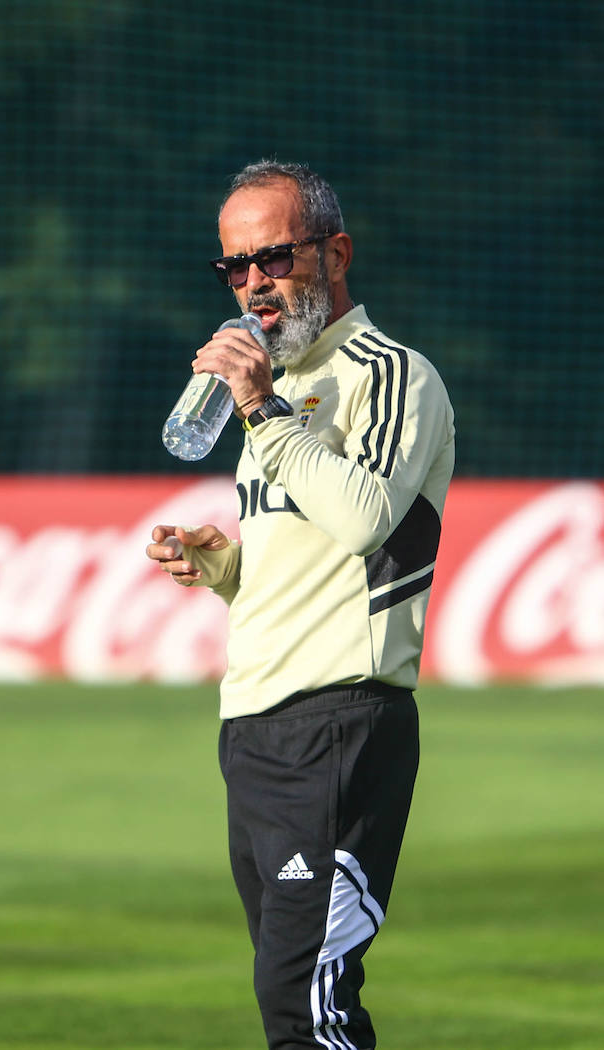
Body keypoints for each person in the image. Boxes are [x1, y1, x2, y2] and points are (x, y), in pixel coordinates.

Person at [148, 160, 454, 1049]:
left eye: (273, 259)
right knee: (292, 997)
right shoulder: (273, 402)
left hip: (338, 722)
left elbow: (364, 519)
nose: (253, 285)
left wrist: (257, 405)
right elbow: (307, 558)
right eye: (233, 268)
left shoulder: (391, 374)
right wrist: (221, 568)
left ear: (336, 252)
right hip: (253, 726)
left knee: (304, 1003)